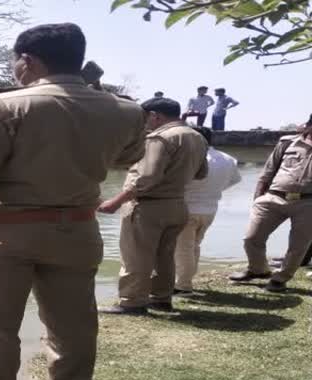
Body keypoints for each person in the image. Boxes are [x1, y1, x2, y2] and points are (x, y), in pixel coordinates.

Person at [0, 23, 147, 380]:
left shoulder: (1, 106)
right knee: (73, 320)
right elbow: (128, 158)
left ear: (28, 60)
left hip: (3, 234)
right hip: (78, 229)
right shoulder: (126, 110)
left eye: (16, 61)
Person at [98, 97, 208, 315]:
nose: (144, 124)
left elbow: (147, 177)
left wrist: (116, 201)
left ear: (155, 115)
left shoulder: (160, 138)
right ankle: (161, 299)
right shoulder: (197, 137)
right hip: (177, 204)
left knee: (135, 255)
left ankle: (131, 302)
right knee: (164, 256)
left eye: (145, 118)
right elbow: (201, 173)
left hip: (149, 207)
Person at [228, 114, 312, 292]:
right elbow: (268, 171)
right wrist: (258, 198)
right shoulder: (287, 143)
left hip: (308, 202)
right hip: (274, 197)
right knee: (252, 237)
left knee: (298, 246)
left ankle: (280, 279)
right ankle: (258, 270)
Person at [174, 127, 241, 296]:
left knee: (183, 249)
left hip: (186, 208)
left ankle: (183, 286)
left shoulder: (190, 158)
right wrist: (212, 192)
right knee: (194, 246)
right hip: (210, 209)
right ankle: (186, 281)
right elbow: (234, 180)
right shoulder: (228, 159)